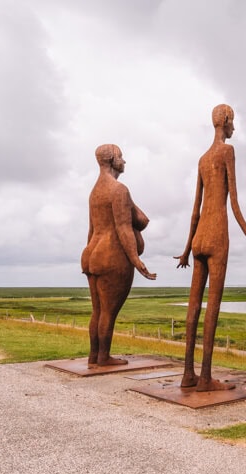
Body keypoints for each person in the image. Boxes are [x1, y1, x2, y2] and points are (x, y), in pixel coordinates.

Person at [175, 104, 246, 391]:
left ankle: (187, 374)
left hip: (198, 239)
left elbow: (194, 209)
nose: (234, 128)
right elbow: (234, 203)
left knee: (193, 306)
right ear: (226, 121)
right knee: (212, 307)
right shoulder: (226, 153)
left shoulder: (203, 158)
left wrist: (186, 249)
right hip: (217, 233)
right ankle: (205, 378)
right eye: (233, 122)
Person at [81, 144, 156, 367]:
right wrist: (137, 261)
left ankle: (94, 356)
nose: (124, 161)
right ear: (113, 159)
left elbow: (91, 230)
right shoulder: (119, 190)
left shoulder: (95, 192)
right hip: (111, 255)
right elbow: (124, 229)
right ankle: (104, 357)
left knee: (97, 311)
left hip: (91, 253)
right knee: (108, 312)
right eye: (121, 156)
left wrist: (88, 259)